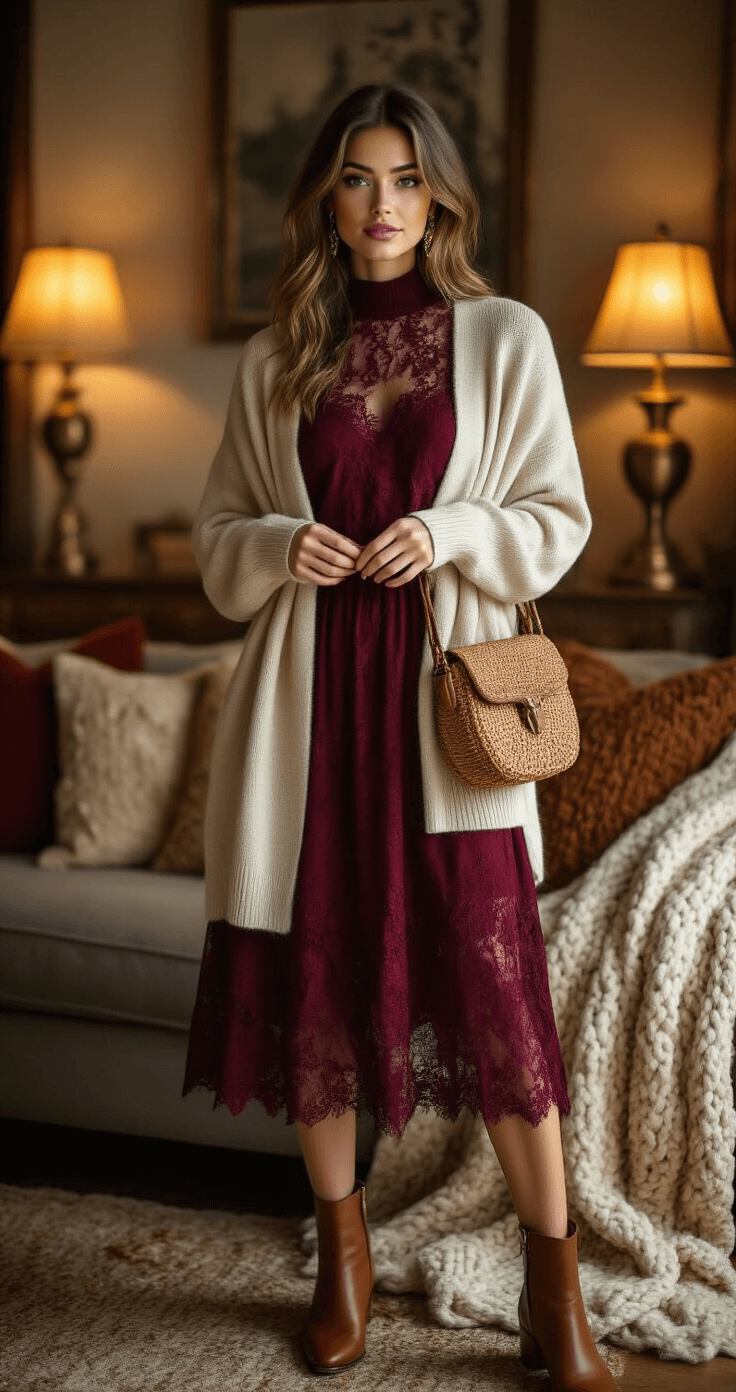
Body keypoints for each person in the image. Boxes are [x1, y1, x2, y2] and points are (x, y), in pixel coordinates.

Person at [183, 83, 613, 1389]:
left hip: (448, 715)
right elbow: (215, 551)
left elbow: (558, 512)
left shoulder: (502, 334)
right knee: (313, 986)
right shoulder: (275, 359)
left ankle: (558, 1292)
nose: (383, 207)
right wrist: (275, 543)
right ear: (327, 196)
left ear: (442, 197)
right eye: (360, 180)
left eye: (407, 182)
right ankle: (343, 1263)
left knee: (498, 1003)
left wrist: (457, 532)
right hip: (306, 718)